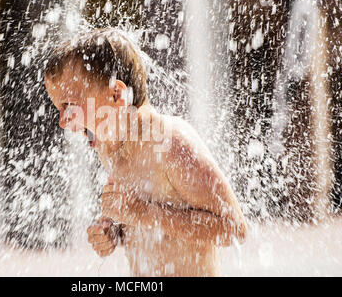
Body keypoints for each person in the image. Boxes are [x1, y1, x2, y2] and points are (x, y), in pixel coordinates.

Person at [44, 28, 247, 276]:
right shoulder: (109, 146)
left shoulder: (170, 143)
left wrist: (143, 213)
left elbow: (234, 228)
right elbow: (143, 216)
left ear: (116, 95)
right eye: (58, 109)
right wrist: (115, 229)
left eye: (69, 106)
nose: (63, 122)